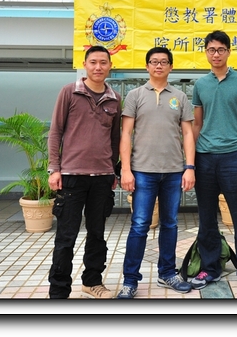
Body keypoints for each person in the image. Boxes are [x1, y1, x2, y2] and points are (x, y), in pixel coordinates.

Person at [115, 47, 196, 299]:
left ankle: (168, 273)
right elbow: (126, 133)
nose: (158, 65)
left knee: (170, 224)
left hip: (173, 172)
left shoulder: (180, 97)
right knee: (140, 225)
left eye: (163, 62)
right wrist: (126, 169)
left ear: (171, 67)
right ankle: (130, 281)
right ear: (147, 66)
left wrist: (189, 167)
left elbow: (188, 134)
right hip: (142, 172)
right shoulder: (135, 95)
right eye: (153, 62)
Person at [190, 30, 237, 296]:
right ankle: (210, 268)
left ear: (229, 52)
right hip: (205, 157)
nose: (216, 54)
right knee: (206, 217)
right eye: (211, 50)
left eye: (221, 49)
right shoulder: (201, 85)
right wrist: (189, 162)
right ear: (206, 53)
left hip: (235, 156)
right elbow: (196, 124)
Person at [46, 45, 121, 299]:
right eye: (93, 62)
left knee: (97, 234)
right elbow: (55, 131)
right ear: (85, 65)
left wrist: (113, 170)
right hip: (71, 177)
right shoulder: (69, 92)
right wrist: (54, 169)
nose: (98, 67)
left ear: (110, 66)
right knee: (66, 237)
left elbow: (115, 138)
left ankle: (92, 282)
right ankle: (58, 291)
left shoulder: (114, 98)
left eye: (103, 62)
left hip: (102, 178)